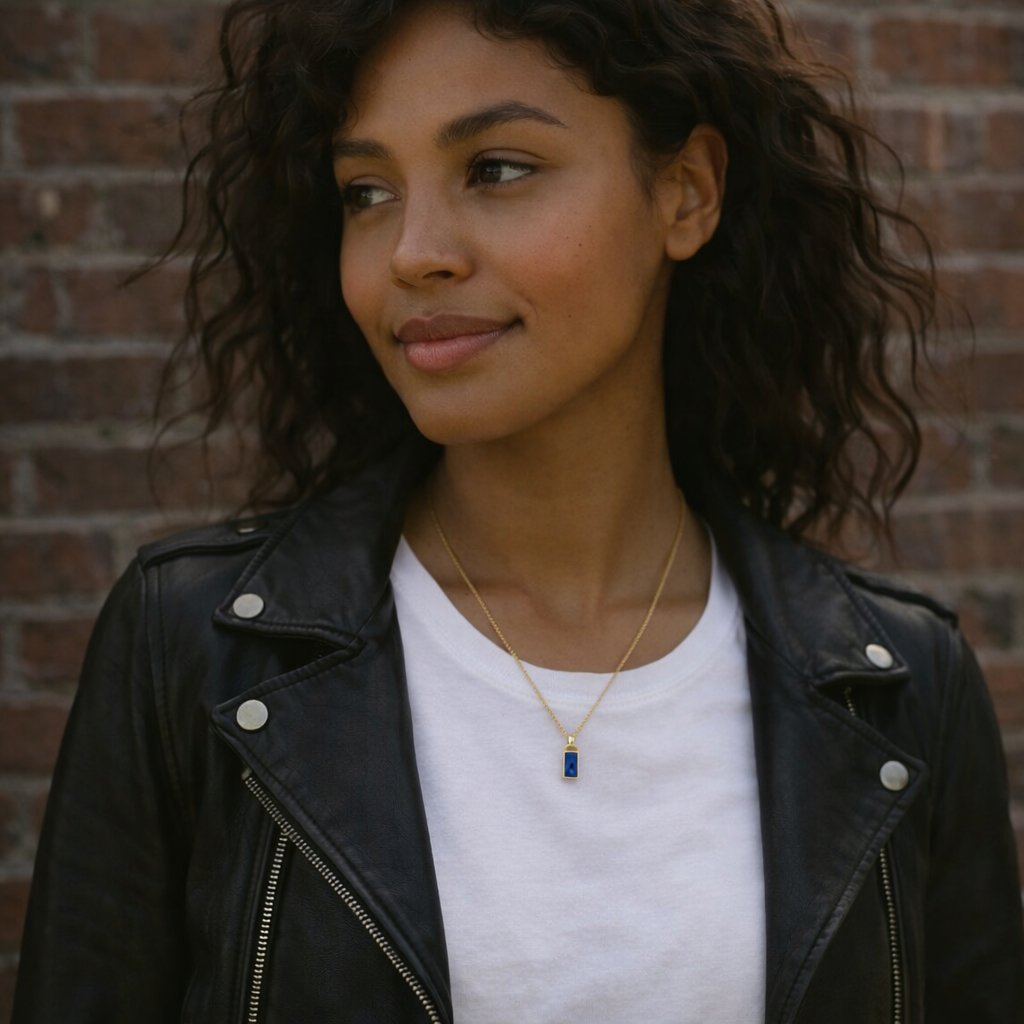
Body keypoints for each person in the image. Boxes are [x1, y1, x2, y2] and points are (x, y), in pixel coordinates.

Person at [12, 0, 1023, 1021]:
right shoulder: (195, 652)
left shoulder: (896, 689)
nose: (412, 251)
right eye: (365, 191)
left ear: (685, 192)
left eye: (495, 168)